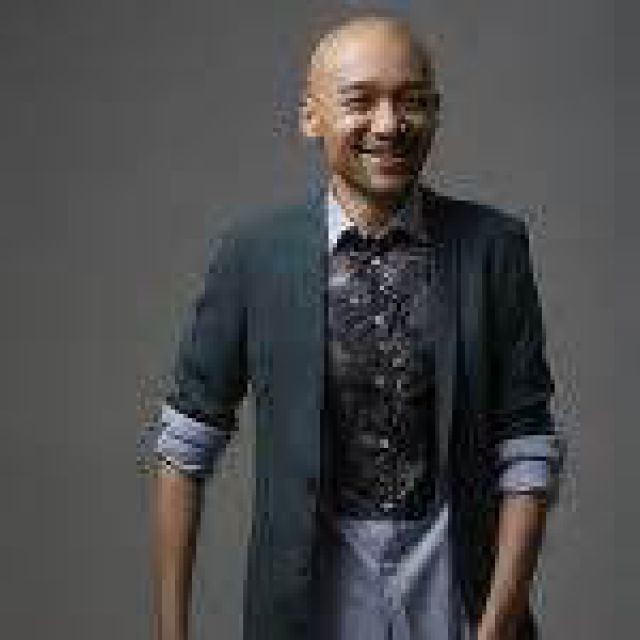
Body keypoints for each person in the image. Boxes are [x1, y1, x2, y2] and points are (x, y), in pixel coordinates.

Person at [139, 14, 565, 640]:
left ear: (436, 112)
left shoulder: (493, 246)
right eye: (360, 101)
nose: (389, 124)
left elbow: (527, 445)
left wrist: (497, 621)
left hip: (455, 597)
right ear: (310, 117)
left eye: (412, 100)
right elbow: (184, 448)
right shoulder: (253, 255)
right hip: (311, 605)